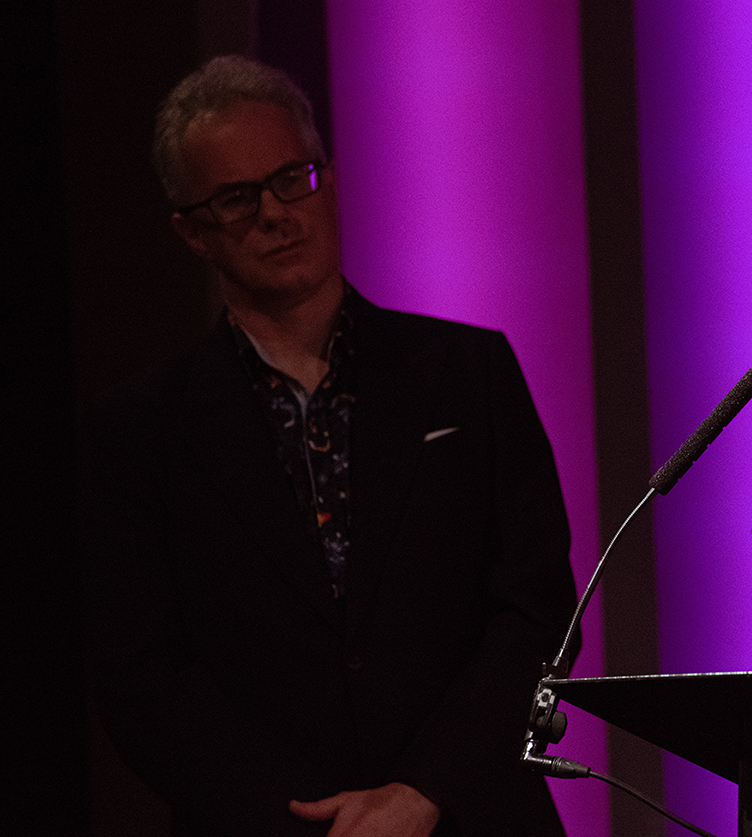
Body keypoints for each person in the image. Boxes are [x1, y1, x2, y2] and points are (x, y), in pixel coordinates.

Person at [78, 55, 577, 836]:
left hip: (469, 815)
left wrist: (422, 790)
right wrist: (311, 822)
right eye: (237, 198)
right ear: (191, 231)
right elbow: (142, 679)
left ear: (329, 179)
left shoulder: (467, 372)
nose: (275, 213)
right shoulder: (140, 428)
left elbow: (537, 607)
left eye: (291, 179)